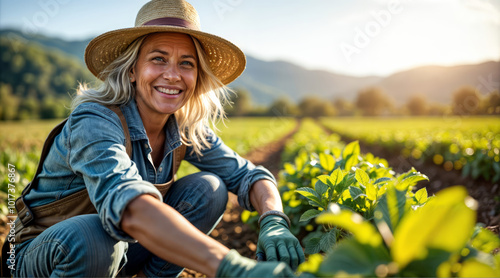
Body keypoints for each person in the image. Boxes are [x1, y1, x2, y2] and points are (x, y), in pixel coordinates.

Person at [10, 0, 305, 277]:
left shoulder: (184, 127)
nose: (173, 75)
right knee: (92, 236)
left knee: (209, 189)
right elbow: (129, 205)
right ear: (132, 70)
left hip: (119, 250)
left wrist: (273, 219)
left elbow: (248, 175)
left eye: (186, 63)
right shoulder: (95, 120)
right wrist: (231, 268)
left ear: (197, 76)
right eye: (158, 59)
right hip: (47, 254)